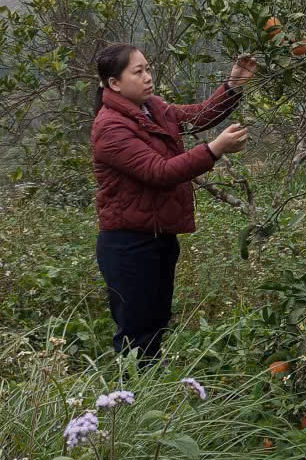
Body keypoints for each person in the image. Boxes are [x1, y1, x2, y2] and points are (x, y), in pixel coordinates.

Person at [91, 43, 256, 363]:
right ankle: (130, 403)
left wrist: (234, 85)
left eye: (148, 69)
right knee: (137, 334)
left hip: (158, 238)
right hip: (128, 246)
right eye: (138, 72)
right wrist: (214, 150)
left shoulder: (151, 108)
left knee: (156, 324)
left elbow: (197, 116)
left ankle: (148, 396)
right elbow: (159, 172)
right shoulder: (110, 127)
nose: (148, 77)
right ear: (114, 83)